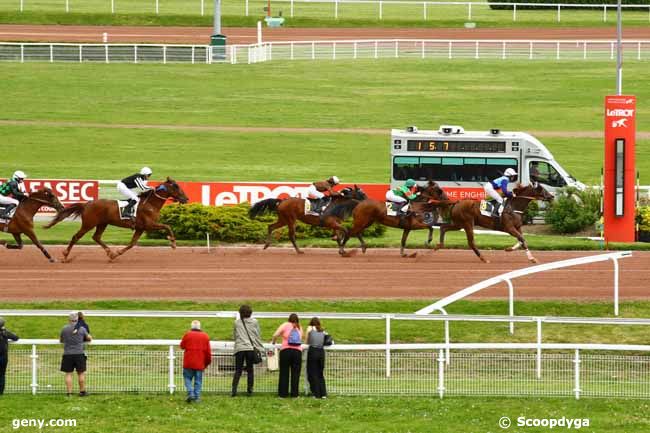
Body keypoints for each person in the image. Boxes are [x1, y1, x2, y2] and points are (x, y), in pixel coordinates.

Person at [231, 305, 264, 397]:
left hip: (240, 348)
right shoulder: (255, 322)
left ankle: (234, 390)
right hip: (250, 348)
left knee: (238, 370)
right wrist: (260, 348)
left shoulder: (236, 323)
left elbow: (234, 336)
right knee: (250, 370)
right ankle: (250, 390)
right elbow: (257, 335)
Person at [60, 312, 92, 397]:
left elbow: (61, 340)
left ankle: (69, 393)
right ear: (77, 319)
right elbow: (89, 338)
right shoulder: (82, 329)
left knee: (68, 374)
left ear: (69, 319)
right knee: (81, 373)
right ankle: (82, 391)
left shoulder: (64, 328)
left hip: (67, 354)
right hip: (79, 353)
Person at [272, 313, 303, 398]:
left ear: (289, 319)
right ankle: (295, 394)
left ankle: (283, 394)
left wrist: (274, 342)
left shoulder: (285, 325)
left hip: (286, 351)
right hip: (297, 352)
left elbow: (275, 334)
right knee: (295, 374)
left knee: (284, 373)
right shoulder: (299, 327)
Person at [180, 320, 211, 403]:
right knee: (198, 381)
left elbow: (182, 346)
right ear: (200, 327)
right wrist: (207, 362)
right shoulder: (205, 336)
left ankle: (190, 393)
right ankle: (197, 397)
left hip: (188, 361)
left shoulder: (187, 334)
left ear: (191, 326)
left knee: (187, 378)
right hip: (200, 362)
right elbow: (208, 352)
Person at [305, 317, 328, 399]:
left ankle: (316, 393)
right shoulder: (323, 330)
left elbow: (306, 341)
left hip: (313, 351)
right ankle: (323, 393)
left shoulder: (310, 329)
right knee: (320, 373)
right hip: (321, 352)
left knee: (312, 373)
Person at [0, 317, 19, 395]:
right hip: (3, 357)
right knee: (2, 374)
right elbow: (16, 338)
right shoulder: (5, 333)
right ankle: (0, 391)